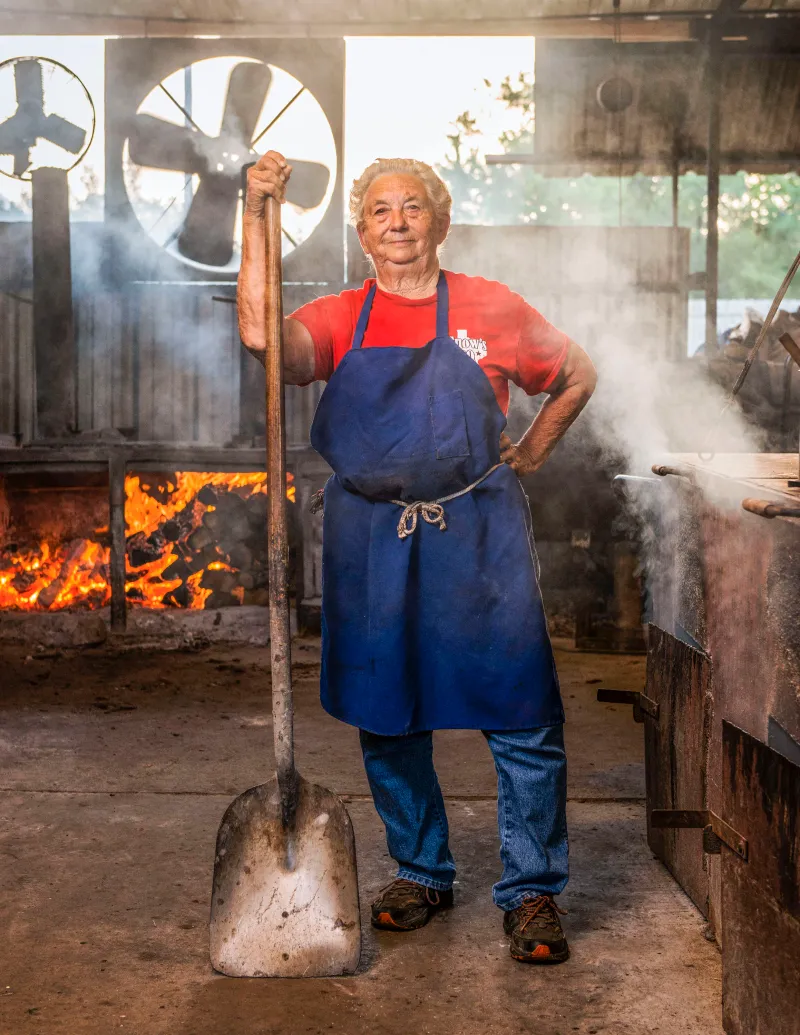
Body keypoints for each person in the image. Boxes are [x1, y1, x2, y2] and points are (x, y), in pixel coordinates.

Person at [238, 151, 597, 965]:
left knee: (520, 710)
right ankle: (423, 868)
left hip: (477, 528)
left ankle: (533, 886)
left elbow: (576, 372)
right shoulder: (340, 315)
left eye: (412, 206)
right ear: (362, 232)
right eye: (378, 210)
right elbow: (263, 336)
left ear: (440, 218)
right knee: (387, 709)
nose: (396, 221)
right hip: (373, 537)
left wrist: (536, 444)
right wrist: (253, 214)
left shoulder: (489, 306)